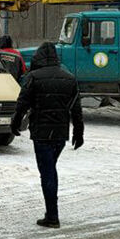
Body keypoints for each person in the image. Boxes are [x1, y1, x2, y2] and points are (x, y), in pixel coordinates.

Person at [10, 42, 84, 229]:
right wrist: (78, 131)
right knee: (50, 169)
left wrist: (15, 121)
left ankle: (52, 216)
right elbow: (76, 109)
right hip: (60, 133)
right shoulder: (69, 78)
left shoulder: (33, 77)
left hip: (41, 132)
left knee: (47, 172)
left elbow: (22, 103)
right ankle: (51, 212)